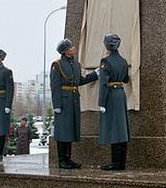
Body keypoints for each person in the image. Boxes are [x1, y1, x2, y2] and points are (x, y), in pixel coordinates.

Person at [50, 38, 99, 169]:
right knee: (62, 132)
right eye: (71, 47)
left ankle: (68, 159)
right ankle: (61, 160)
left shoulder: (76, 64)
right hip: (63, 101)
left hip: (74, 100)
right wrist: (57, 105)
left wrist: (95, 74)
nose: (74, 48)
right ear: (66, 51)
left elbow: (79, 81)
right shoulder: (57, 65)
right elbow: (54, 86)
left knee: (70, 130)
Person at [98, 33, 131, 170]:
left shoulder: (106, 61)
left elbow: (104, 84)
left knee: (114, 128)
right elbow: (126, 79)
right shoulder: (123, 61)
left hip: (111, 95)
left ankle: (116, 163)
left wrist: (102, 102)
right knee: (122, 128)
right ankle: (121, 162)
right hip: (120, 94)